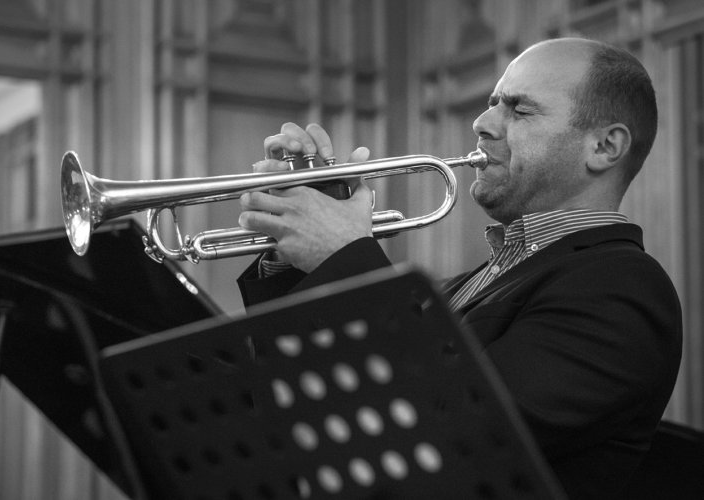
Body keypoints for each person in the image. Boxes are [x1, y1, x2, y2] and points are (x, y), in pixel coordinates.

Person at [236, 37, 682, 499]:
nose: (481, 123)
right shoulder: (468, 285)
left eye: (519, 110)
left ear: (605, 146)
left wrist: (344, 257)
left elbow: (447, 432)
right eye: (492, 104)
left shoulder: (622, 287)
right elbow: (310, 406)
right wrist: (297, 261)